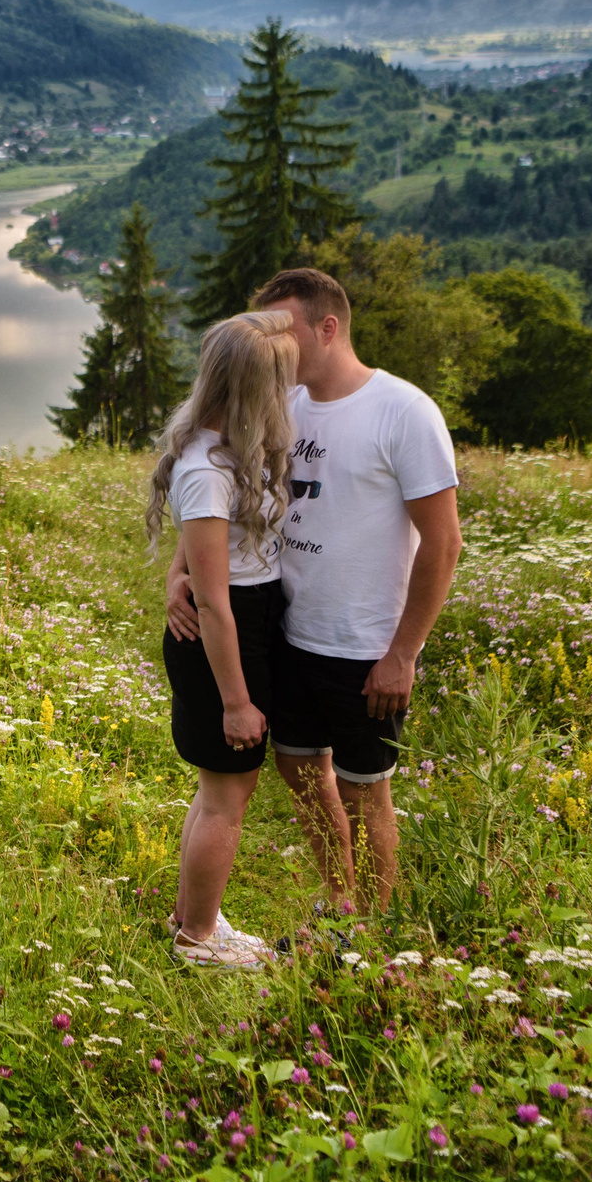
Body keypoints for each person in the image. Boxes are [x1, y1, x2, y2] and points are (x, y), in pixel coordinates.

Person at [167, 267, 462, 917]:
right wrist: (178, 573)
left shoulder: (404, 411)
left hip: (365, 647)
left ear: (328, 328)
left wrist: (404, 652)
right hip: (285, 634)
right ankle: (339, 905)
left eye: (283, 327)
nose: (270, 342)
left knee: (366, 791)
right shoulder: (281, 405)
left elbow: (443, 544)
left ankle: (375, 931)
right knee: (302, 775)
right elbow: (214, 494)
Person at [150, 309, 299, 969]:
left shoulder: (222, 448)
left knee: (220, 789)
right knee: (226, 797)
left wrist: (176, 575)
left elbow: (202, 563)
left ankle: (192, 915)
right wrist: (237, 701)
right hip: (226, 635)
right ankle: (199, 941)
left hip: (240, 619)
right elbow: (214, 598)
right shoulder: (208, 469)